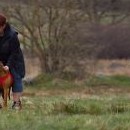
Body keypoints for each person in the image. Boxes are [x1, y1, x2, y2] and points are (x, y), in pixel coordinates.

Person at [0, 13, 25, 110]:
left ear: (3, 26)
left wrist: (8, 66)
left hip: (14, 60)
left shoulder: (12, 35)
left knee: (16, 78)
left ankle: (16, 103)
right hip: (1, 60)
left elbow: (14, 53)